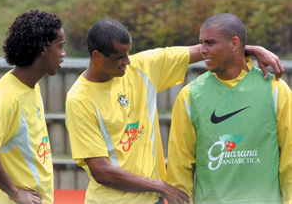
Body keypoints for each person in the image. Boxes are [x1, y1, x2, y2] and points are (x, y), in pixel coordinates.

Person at [65, 18, 284, 204]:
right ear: (97, 56)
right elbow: (102, 171)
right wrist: (161, 185)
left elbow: (206, 51)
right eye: (120, 57)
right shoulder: (79, 99)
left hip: (153, 200)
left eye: (128, 53)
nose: (127, 61)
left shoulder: (141, 68)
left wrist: (252, 49)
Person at [166, 13, 292, 204]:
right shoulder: (190, 95)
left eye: (210, 43)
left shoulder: (275, 90)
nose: (203, 50)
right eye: (201, 43)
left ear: (234, 43)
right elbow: (179, 167)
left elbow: (290, 160)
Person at [0, 10, 66, 204]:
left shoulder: (32, 87)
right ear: (43, 48)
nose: (63, 54)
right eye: (60, 47)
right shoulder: (7, 95)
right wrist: (14, 193)